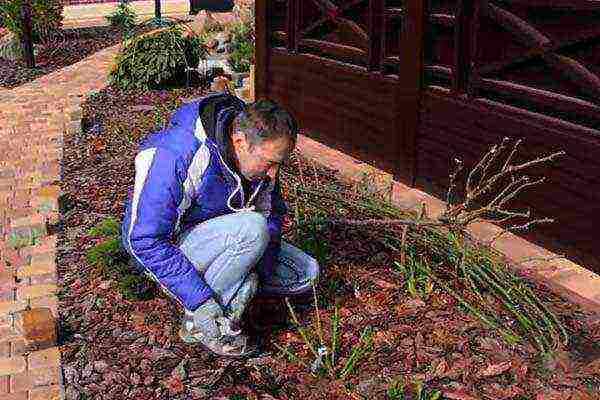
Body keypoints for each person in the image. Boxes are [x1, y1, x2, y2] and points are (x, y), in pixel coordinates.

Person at [120, 93, 320, 358]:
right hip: (172, 247)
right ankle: (203, 323)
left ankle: (234, 286)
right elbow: (143, 240)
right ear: (239, 141)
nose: (273, 174)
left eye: (278, 164)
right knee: (252, 230)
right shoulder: (179, 154)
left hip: (228, 238)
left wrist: (257, 269)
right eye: (270, 163)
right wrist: (200, 301)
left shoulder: (258, 157)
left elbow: (272, 214)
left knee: (305, 272)